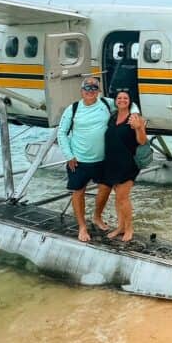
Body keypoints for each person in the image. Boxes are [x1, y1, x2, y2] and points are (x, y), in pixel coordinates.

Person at [57, 75, 113, 242]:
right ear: (82, 91)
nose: (90, 91)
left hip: (102, 159)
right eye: (87, 88)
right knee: (78, 192)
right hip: (79, 160)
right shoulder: (73, 109)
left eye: (94, 88)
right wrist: (69, 156)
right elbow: (62, 133)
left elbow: (127, 104)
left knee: (105, 188)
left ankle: (97, 216)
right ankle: (82, 226)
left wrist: (137, 117)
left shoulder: (106, 104)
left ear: (98, 91)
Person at [96, 89, 147, 242]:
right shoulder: (112, 117)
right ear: (115, 101)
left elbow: (142, 141)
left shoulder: (135, 118)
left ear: (130, 101)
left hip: (127, 163)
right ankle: (120, 227)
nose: (122, 100)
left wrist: (138, 127)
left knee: (122, 197)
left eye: (125, 98)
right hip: (111, 162)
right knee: (117, 199)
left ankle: (129, 228)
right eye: (119, 98)